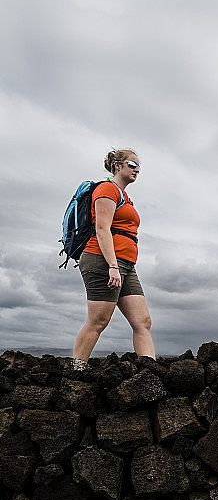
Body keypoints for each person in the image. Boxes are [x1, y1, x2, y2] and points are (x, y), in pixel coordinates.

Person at [72, 148, 155, 368]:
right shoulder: (107, 189)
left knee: (143, 322)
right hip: (103, 260)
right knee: (98, 321)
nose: (137, 169)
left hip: (125, 264)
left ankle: (150, 372)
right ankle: (76, 370)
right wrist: (112, 266)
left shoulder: (125, 196)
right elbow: (102, 229)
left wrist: (119, 266)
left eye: (139, 167)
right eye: (132, 164)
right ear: (117, 165)